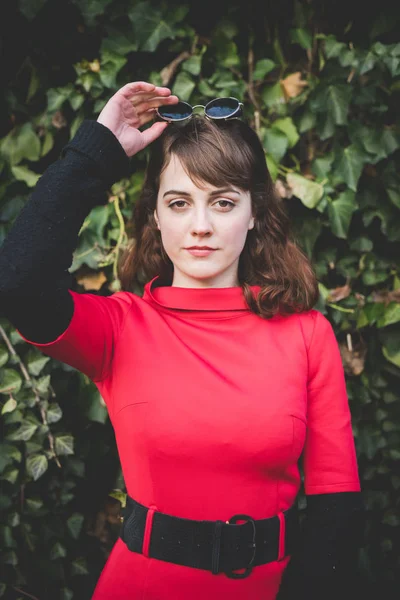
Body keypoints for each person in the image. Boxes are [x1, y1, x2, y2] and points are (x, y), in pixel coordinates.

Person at [0, 81, 365, 600]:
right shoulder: (118, 329)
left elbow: (338, 509)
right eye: (178, 202)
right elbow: (20, 283)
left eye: (222, 202)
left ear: (254, 211)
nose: (199, 226)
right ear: (155, 214)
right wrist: (99, 148)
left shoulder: (308, 334)